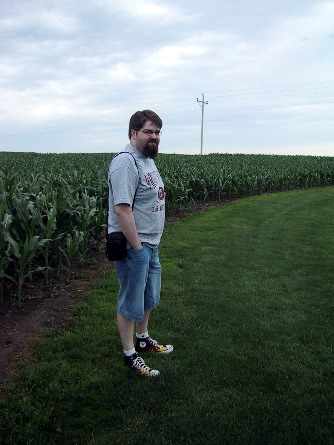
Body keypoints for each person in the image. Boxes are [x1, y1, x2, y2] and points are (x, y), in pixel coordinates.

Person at [107, 110, 173, 377]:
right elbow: (122, 209)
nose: (154, 137)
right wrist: (136, 248)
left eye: (157, 132)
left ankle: (143, 339)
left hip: (150, 244)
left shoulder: (147, 160)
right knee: (130, 302)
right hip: (136, 245)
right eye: (149, 131)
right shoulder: (126, 162)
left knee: (148, 297)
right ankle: (129, 355)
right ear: (133, 133)